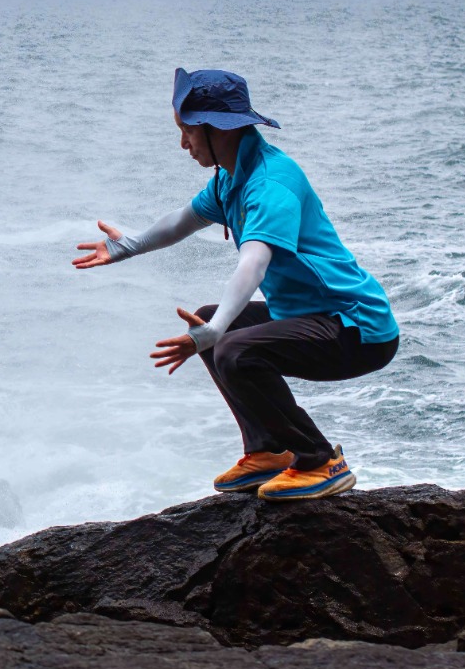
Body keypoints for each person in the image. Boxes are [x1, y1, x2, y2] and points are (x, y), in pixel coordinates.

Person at [71, 68, 399, 501]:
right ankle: (270, 449)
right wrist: (126, 246)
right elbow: (182, 221)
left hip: (357, 329)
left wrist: (217, 330)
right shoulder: (232, 176)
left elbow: (254, 262)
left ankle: (319, 460)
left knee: (228, 343)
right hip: (310, 316)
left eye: (188, 131)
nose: (183, 144)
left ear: (215, 129)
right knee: (210, 321)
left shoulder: (270, 184)